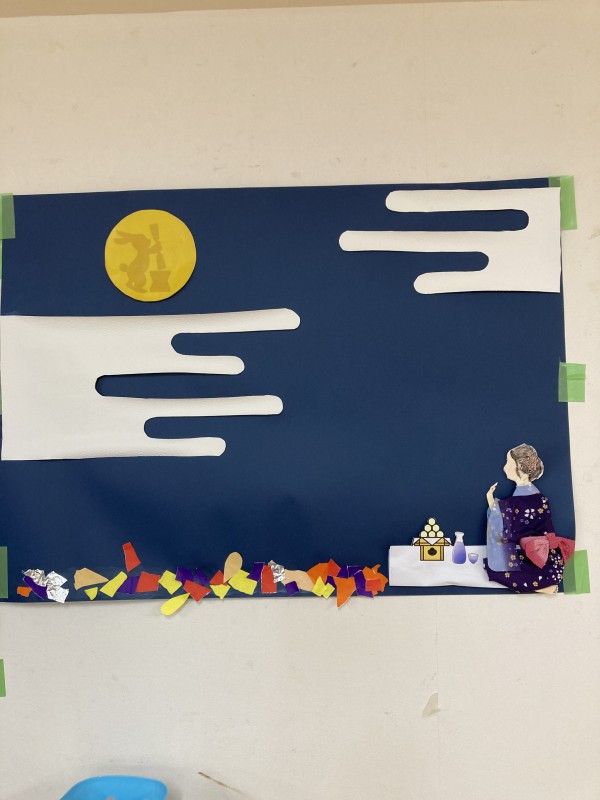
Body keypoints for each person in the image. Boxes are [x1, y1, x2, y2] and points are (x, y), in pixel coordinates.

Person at [484, 444, 574, 594]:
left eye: (508, 463)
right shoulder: (542, 499)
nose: (505, 467)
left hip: (537, 557)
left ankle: (540, 587)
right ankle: (542, 584)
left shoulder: (514, 503)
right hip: (551, 561)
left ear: (520, 467)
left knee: (495, 569)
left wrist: (491, 502)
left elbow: (507, 532)